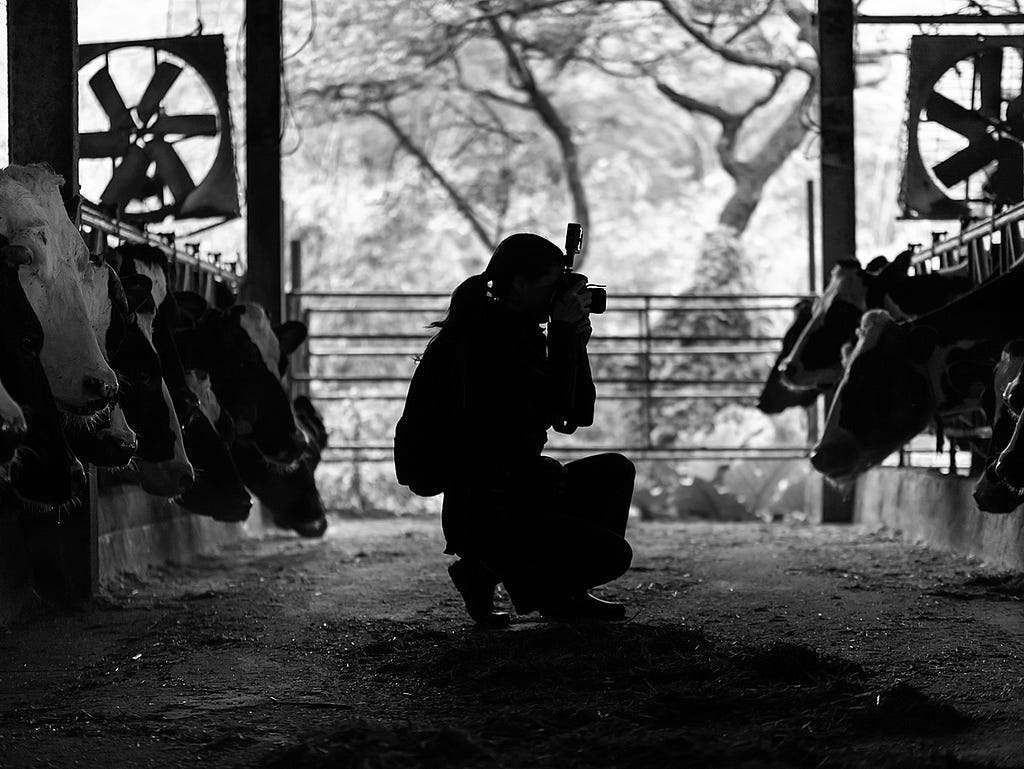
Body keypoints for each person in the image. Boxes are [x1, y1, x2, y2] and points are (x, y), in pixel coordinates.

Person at [413, 232, 634, 627]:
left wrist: (574, 343)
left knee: (614, 472)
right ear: (517, 285)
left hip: (518, 489)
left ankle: (521, 582)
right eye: (551, 287)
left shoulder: (517, 332)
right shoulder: (484, 341)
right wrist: (564, 336)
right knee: (611, 555)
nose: (558, 299)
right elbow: (550, 411)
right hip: (487, 507)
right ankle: (527, 582)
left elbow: (576, 416)